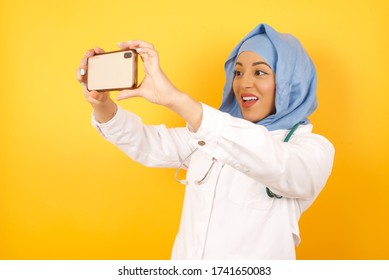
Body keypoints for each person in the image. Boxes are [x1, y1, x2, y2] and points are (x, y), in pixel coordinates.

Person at [76, 23, 335, 259]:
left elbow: (274, 162)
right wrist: (102, 105)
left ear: (290, 82)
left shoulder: (312, 149)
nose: (244, 83)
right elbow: (148, 143)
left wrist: (176, 100)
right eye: (238, 72)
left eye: (260, 73)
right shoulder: (208, 135)